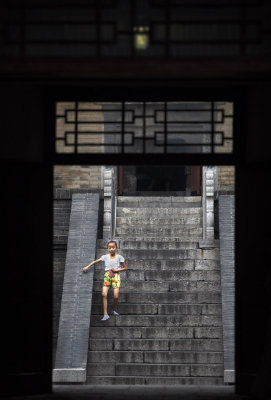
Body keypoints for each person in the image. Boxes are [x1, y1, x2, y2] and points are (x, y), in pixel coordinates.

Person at [82, 240, 127, 321]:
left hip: (116, 276)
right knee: (103, 294)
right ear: (107, 249)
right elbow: (96, 261)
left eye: (113, 247)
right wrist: (87, 267)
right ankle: (105, 314)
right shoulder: (105, 256)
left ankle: (113, 309)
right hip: (107, 276)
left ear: (116, 248)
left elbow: (125, 267)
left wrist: (117, 270)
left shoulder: (120, 257)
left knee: (116, 296)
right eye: (109, 248)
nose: (111, 249)